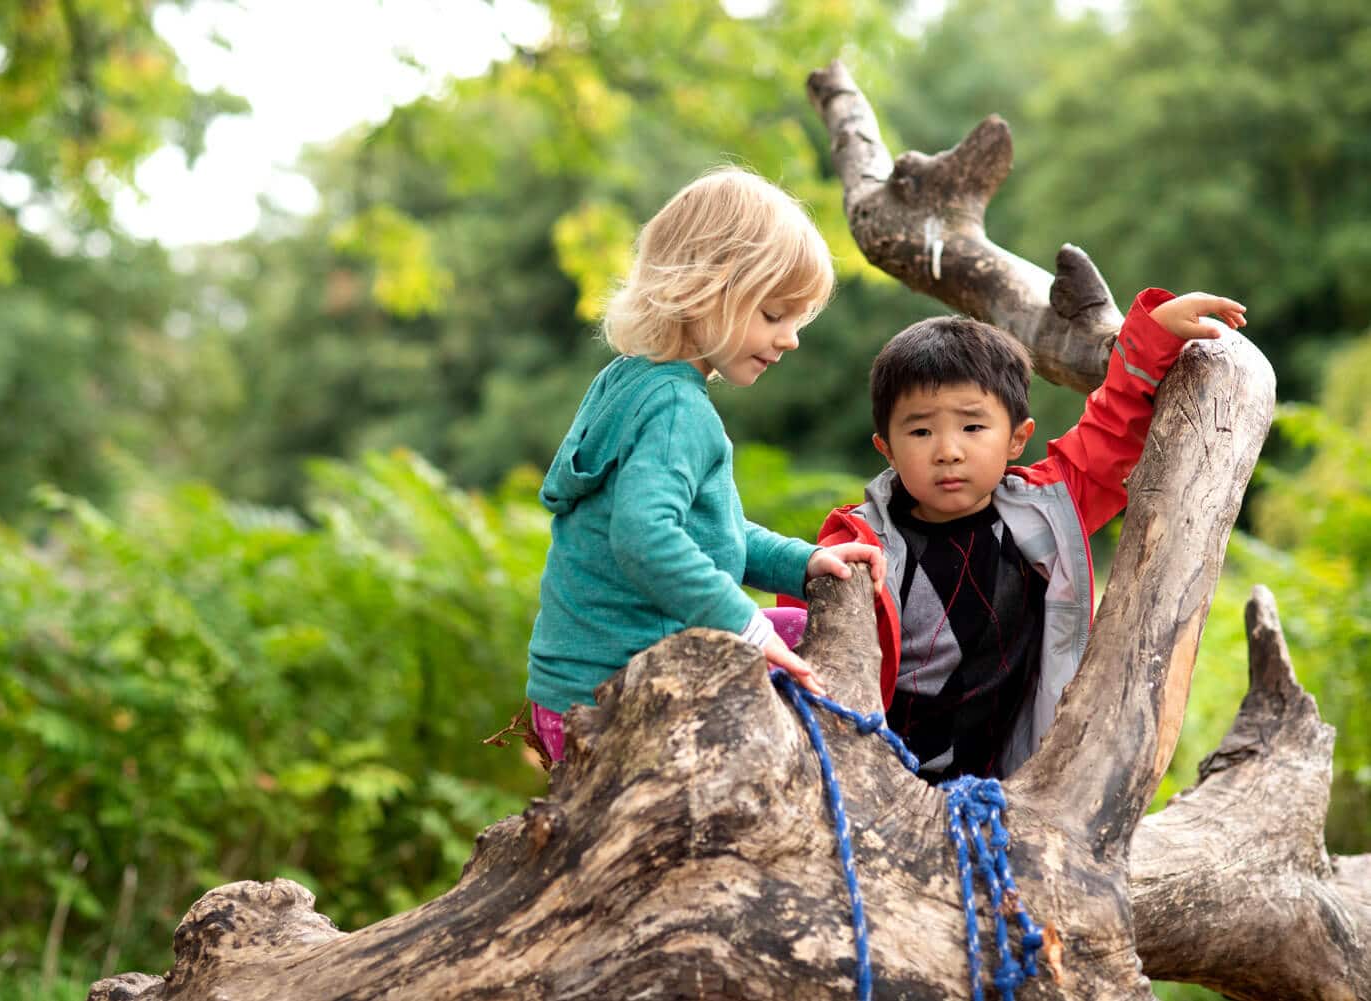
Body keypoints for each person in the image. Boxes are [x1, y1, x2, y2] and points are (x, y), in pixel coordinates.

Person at [775, 289, 1246, 782]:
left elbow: (1111, 429)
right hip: (874, 777)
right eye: (920, 433)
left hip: (1007, 781)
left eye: (973, 426)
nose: (948, 451)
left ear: (1017, 438)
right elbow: (807, 649)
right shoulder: (855, 547)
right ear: (886, 448)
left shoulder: (1046, 511)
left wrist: (1156, 335)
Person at [524, 167, 885, 765]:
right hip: (621, 699)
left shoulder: (627, 381)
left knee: (797, 629)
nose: (791, 339)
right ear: (705, 290)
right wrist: (745, 622)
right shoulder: (676, 408)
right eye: (773, 315)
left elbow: (707, 532)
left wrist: (801, 561)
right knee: (816, 658)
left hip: (563, 698)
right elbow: (645, 538)